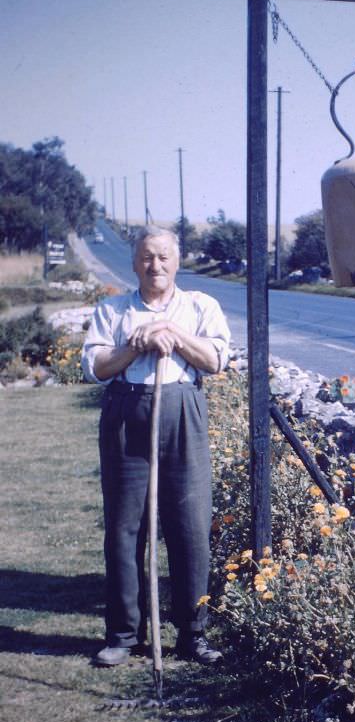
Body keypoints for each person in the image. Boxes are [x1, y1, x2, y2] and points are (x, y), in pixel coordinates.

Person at [81, 226, 231, 667]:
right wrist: (137, 342)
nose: (156, 266)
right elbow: (97, 367)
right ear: (134, 263)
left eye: (164, 257)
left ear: (177, 261)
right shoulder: (113, 310)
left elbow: (216, 360)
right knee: (126, 529)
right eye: (147, 257)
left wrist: (173, 333)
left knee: (190, 527)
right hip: (127, 416)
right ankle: (124, 635)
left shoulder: (202, 306)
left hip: (183, 412)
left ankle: (193, 634)